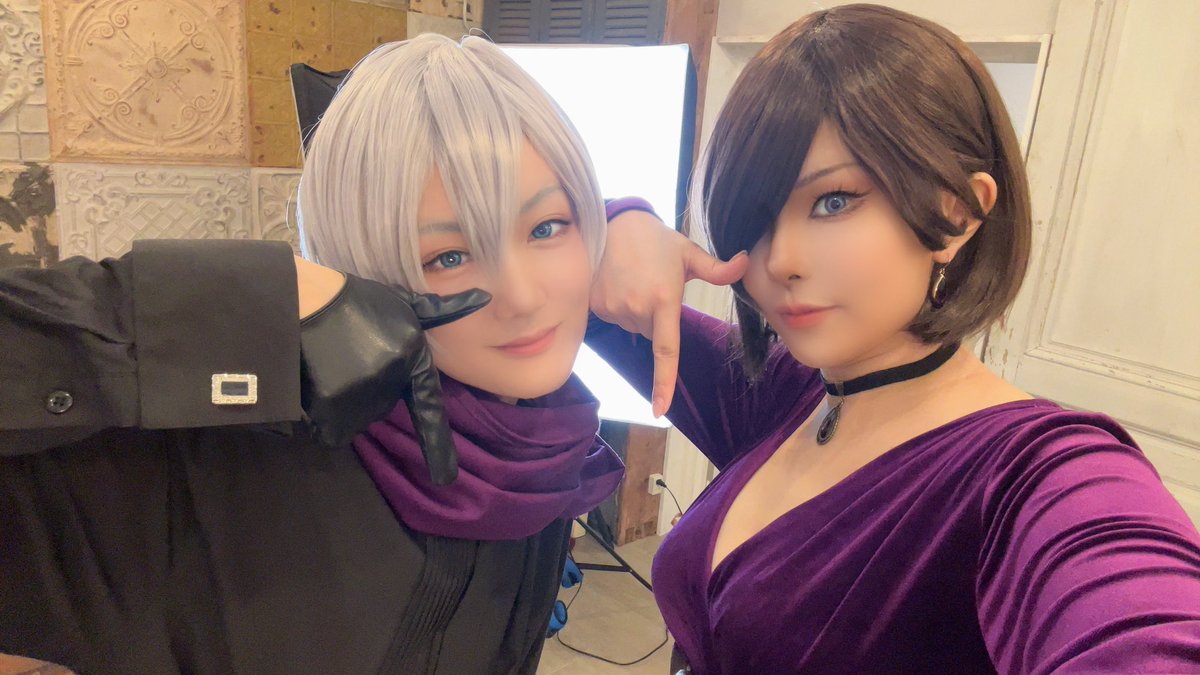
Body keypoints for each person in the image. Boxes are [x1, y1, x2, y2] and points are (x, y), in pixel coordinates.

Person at [0, 34, 745, 674]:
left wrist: (621, 219)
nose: (522, 297)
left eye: (548, 228)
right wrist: (256, 297)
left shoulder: (539, 455)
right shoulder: (218, 464)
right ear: (363, 272)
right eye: (448, 256)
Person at [587, 4, 1200, 673]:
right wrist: (617, 222)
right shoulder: (790, 395)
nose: (780, 260)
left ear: (957, 210)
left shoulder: (1036, 472)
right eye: (756, 217)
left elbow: (1139, 623)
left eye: (834, 201)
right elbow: (586, 298)